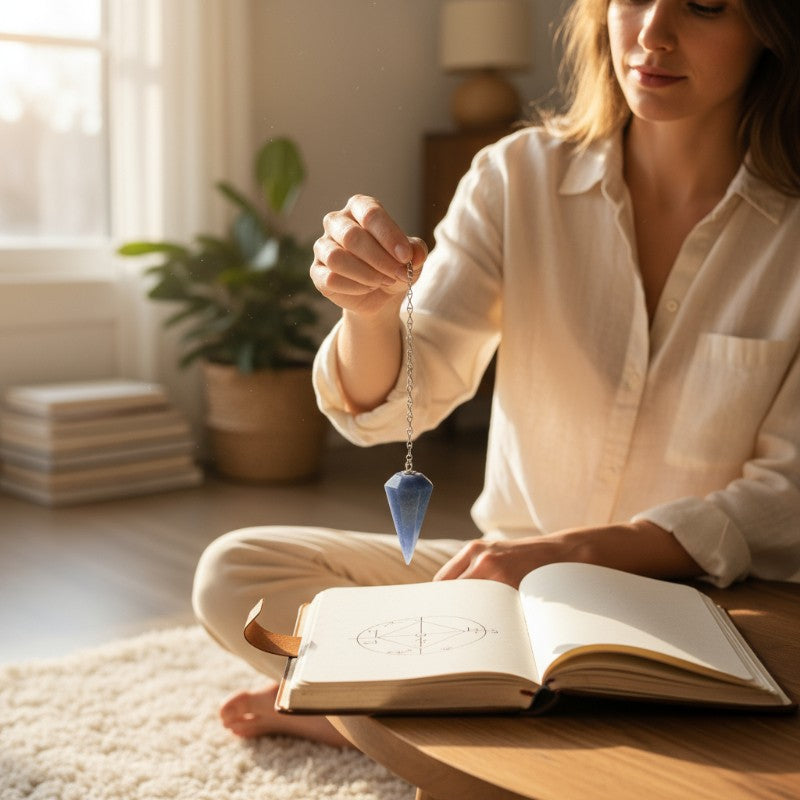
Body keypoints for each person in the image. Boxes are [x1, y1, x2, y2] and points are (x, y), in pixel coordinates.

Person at [192, 0, 800, 746]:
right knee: (234, 572)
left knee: (776, 655)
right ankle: (549, 727)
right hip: (508, 589)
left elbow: (784, 497)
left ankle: (371, 716)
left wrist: (568, 552)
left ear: (772, 26)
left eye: (704, 4)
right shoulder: (516, 176)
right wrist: (372, 314)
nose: (652, 33)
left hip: (702, 600)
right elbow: (402, 399)